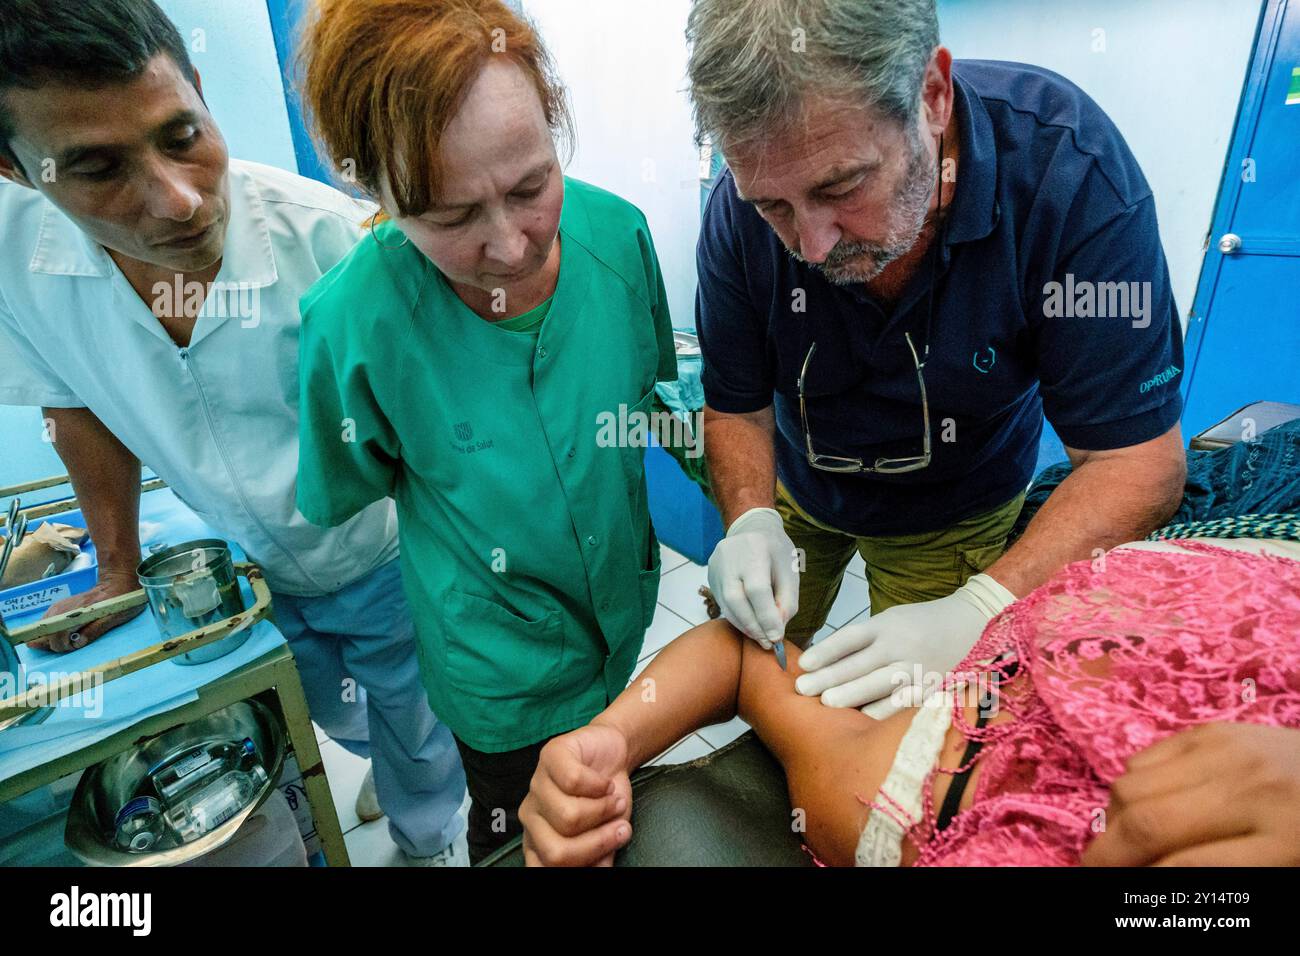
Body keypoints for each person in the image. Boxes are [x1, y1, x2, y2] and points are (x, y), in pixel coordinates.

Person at [0, 0, 467, 864]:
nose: (176, 202)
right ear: (17, 169)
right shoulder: (16, 260)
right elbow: (77, 406)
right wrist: (114, 570)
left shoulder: (327, 238)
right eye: (98, 167)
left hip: (381, 553)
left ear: (202, 92)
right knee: (330, 707)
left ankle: (428, 831)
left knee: (415, 719)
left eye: (182, 135)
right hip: (244, 562)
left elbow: (442, 418)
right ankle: (394, 761)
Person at [685, 0, 1188, 719]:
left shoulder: (1069, 176)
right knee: (746, 663)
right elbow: (736, 405)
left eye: (841, 188)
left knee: (917, 720)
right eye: (775, 207)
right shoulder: (738, 211)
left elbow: (1137, 463)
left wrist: (982, 606)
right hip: (798, 484)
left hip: (953, 506)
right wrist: (749, 520)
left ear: (932, 95)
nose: (813, 245)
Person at [294, 0, 677, 864]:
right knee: (518, 833)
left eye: (532, 187)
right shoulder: (355, 322)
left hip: (623, 618)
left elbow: (656, 391)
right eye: (450, 216)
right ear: (378, 195)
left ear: (555, 131)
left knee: (625, 810)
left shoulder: (616, 237)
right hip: (497, 670)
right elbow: (342, 485)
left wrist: (754, 503)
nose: (509, 246)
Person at [520, 535, 1300, 866]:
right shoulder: (933, 784)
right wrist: (606, 744)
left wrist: (610, 740)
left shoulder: (909, 805)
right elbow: (740, 654)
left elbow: (737, 657)